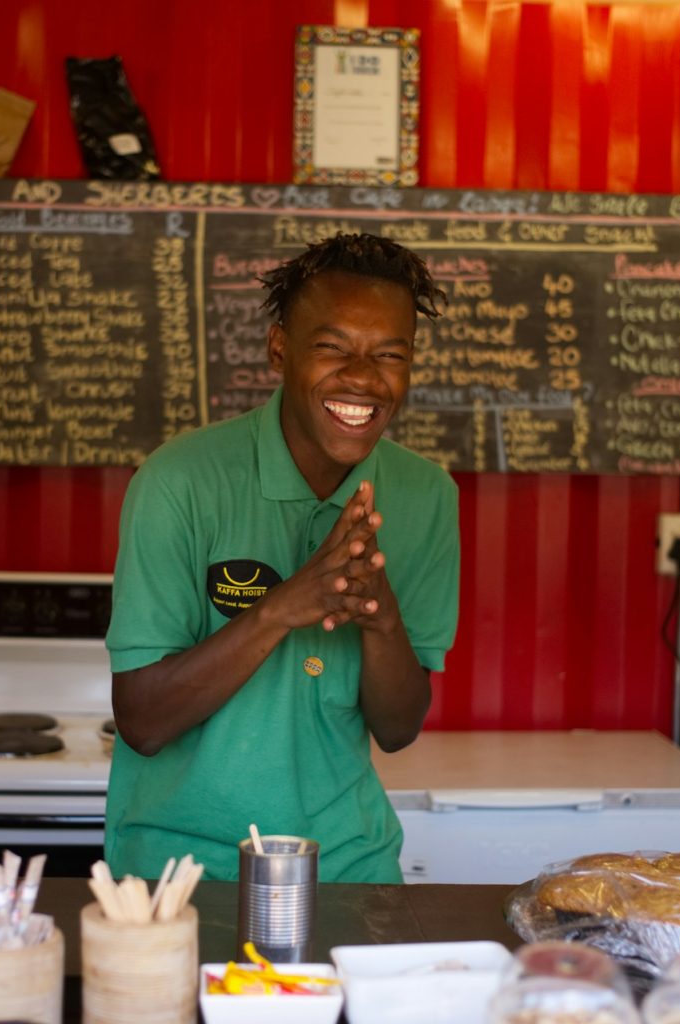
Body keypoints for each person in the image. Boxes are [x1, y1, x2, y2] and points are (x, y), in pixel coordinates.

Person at [105, 232, 460, 883]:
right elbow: (142, 721)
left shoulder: (427, 496)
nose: (361, 377)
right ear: (279, 349)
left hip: (348, 866)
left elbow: (398, 728)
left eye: (389, 353)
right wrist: (281, 608)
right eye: (332, 348)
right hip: (181, 872)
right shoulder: (177, 482)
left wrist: (381, 621)